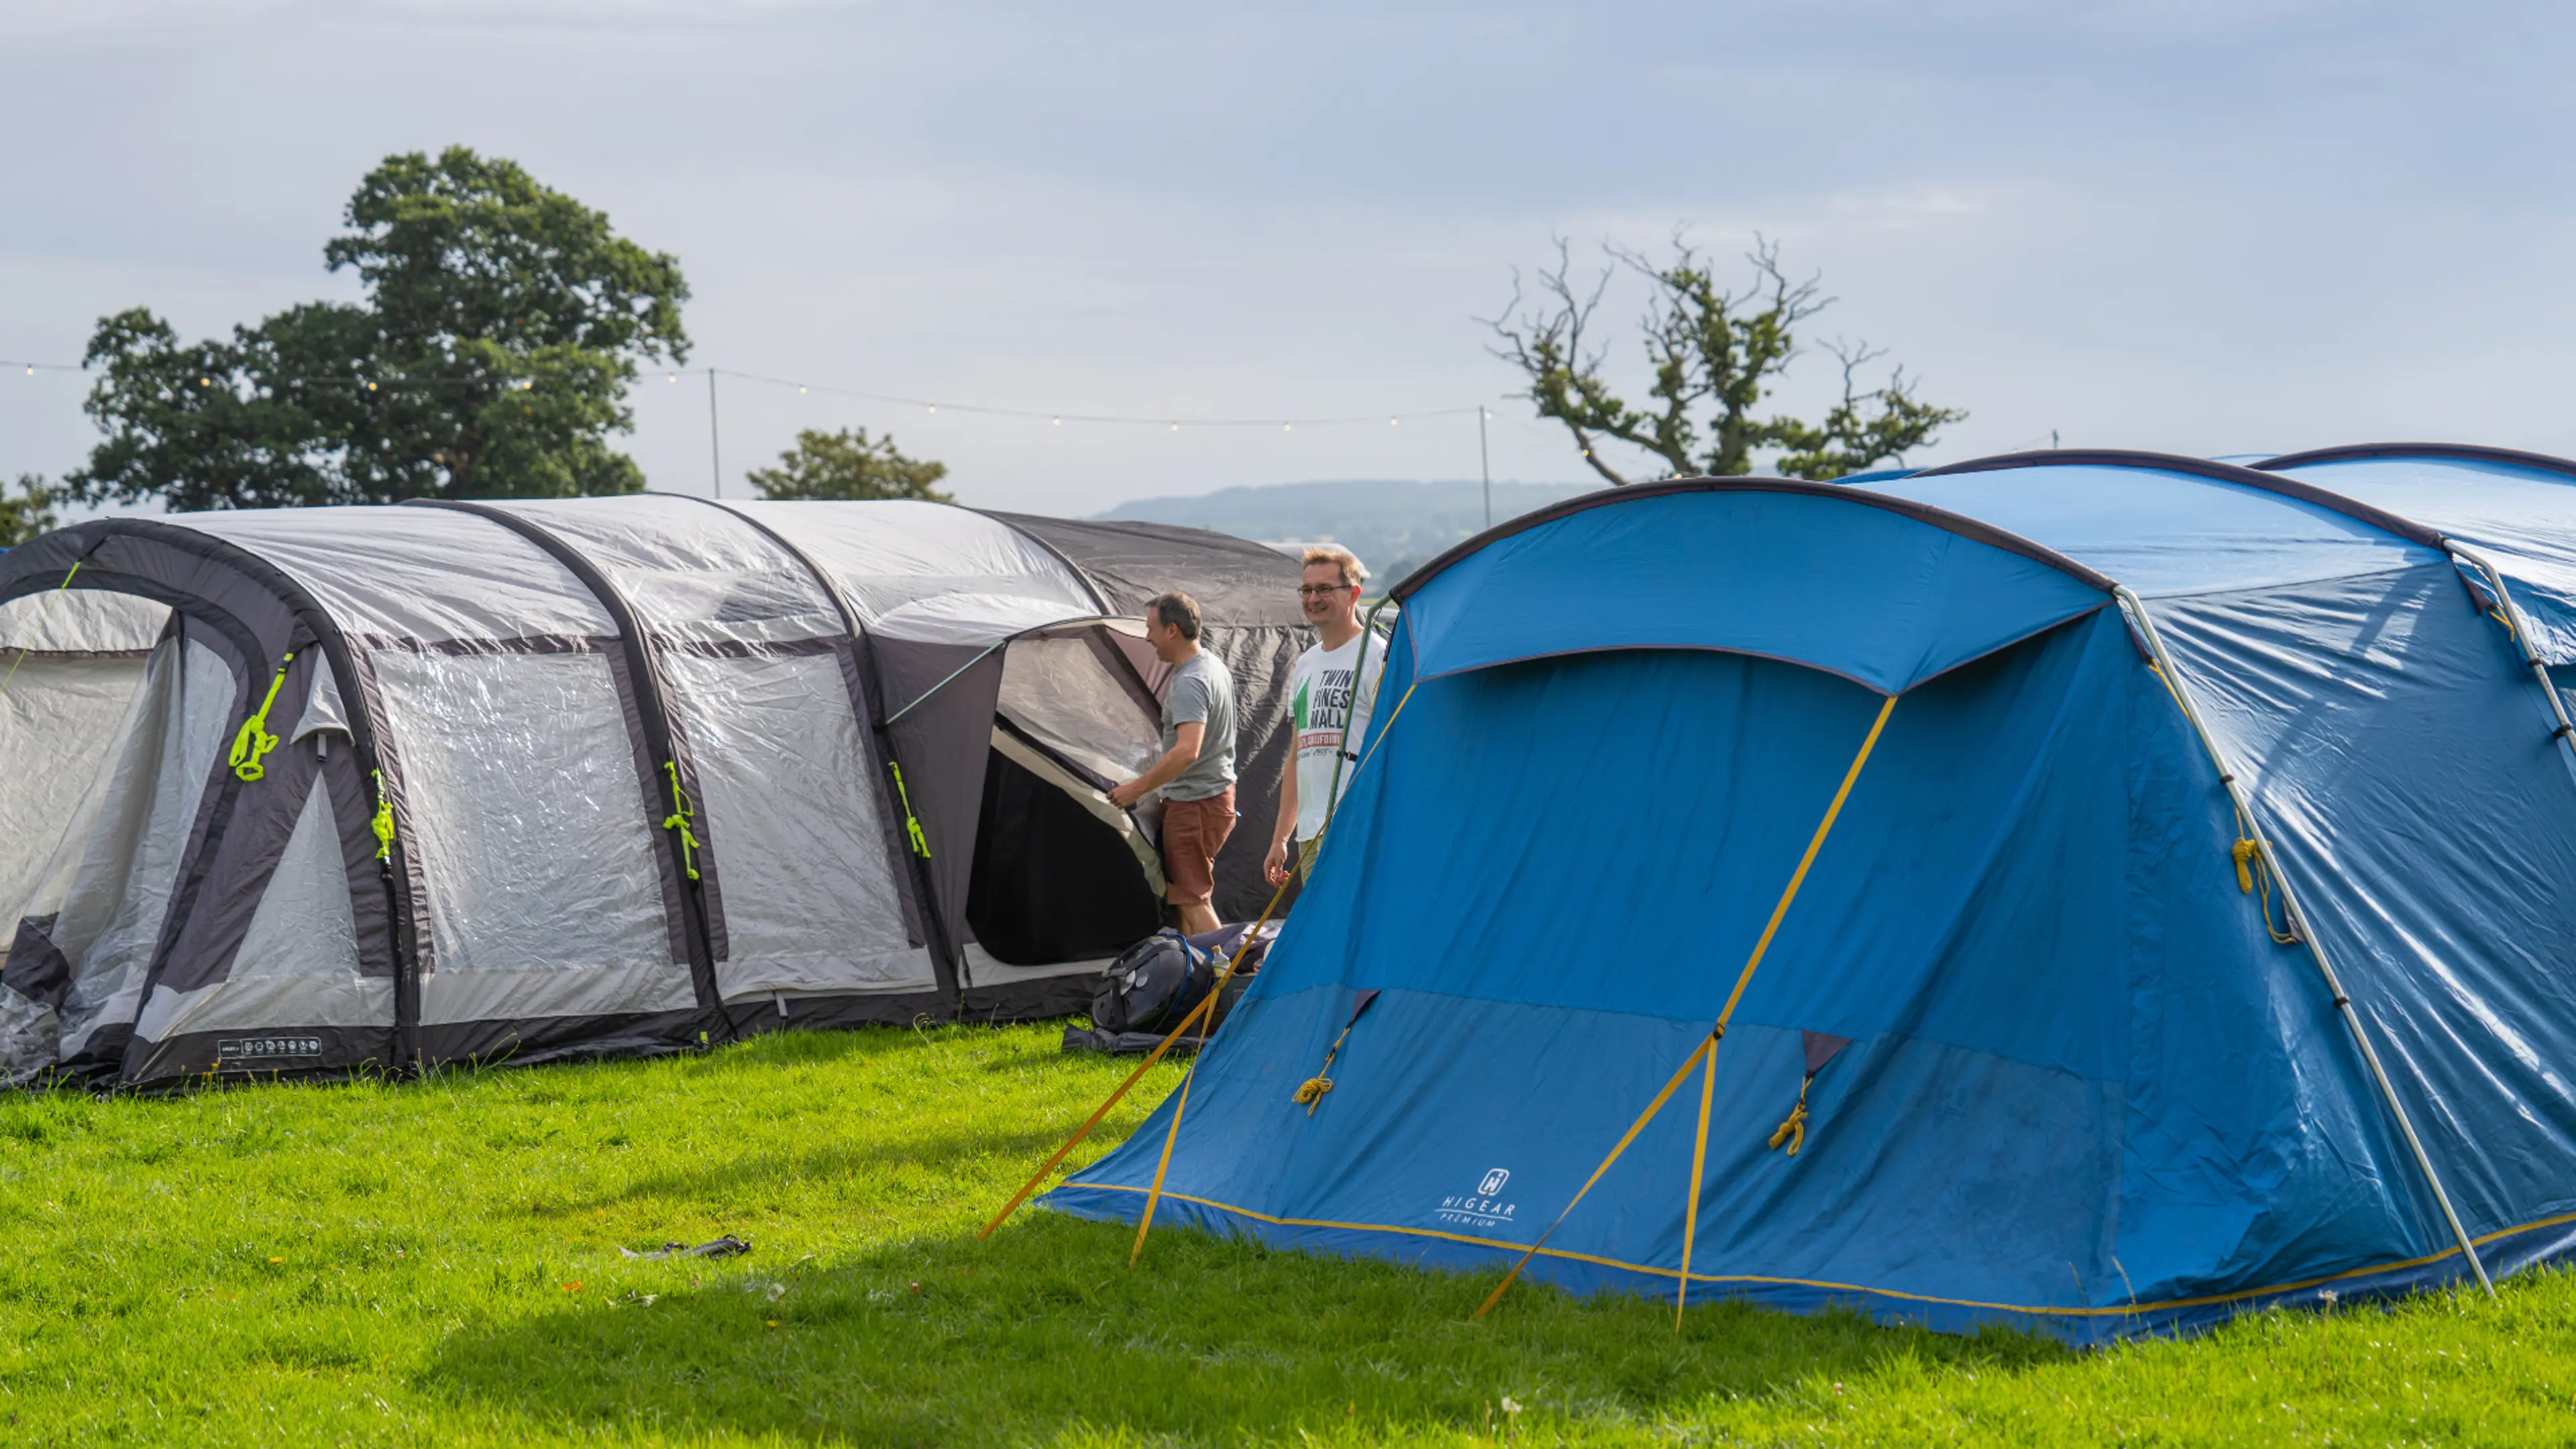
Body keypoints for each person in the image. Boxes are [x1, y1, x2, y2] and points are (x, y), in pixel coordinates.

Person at [1108, 592, 1238, 936]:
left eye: (1151, 628)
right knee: (1185, 899)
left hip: (1195, 807)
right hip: (1212, 800)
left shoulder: (1192, 682)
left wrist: (1135, 790)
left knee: (1194, 901)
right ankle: (1198, 982)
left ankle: (1235, 983)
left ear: (1172, 631)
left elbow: (1187, 751)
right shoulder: (1212, 665)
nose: (1147, 637)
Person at [1265, 545, 1385, 890]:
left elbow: (1396, 745)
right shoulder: (1305, 665)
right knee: (1322, 932)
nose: (1313, 598)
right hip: (1310, 831)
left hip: (1357, 826)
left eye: (1324, 589)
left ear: (1354, 594)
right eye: (1307, 590)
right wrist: (1279, 839)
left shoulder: (1376, 656)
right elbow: (1296, 759)